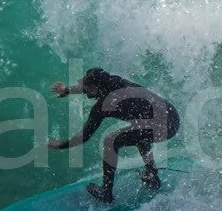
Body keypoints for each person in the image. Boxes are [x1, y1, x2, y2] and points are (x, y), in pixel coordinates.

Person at [49, 69, 181, 202]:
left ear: (95, 87)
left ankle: (106, 192)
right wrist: (67, 90)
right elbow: (93, 87)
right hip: (173, 117)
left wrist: (61, 145)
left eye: (87, 87)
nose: (85, 90)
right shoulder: (115, 82)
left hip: (163, 126)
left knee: (111, 141)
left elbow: (85, 136)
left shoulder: (102, 107)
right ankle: (152, 175)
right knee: (138, 133)